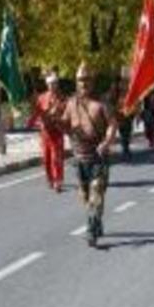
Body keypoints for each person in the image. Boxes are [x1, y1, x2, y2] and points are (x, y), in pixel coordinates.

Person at [58, 62, 117, 248]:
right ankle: (96, 220)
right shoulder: (71, 103)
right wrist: (51, 119)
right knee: (85, 197)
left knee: (96, 193)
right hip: (80, 157)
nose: (83, 84)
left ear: (92, 82)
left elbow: (112, 125)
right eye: (80, 80)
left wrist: (106, 142)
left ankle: (91, 230)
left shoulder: (101, 103)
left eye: (86, 80)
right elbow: (64, 124)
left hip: (98, 157)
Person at [27, 71, 67, 192]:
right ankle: (50, 179)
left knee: (56, 158)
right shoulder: (42, 97)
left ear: (57, 84)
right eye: (50, 84)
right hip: (45, 133)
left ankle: (58, 181)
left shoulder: (62, 98)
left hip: (57, 132)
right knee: (46, 159)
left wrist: (58, 117)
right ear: (47, 85)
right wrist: (30, 123)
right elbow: (36, 112)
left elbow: (66, 114)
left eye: (54, 83)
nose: (52, 86)